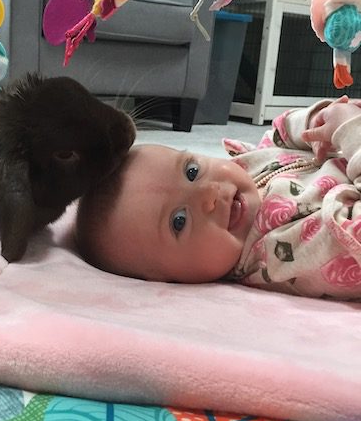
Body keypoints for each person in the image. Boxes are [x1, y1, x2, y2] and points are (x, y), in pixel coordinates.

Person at [75, 96, 361, 299]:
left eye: (191, 171)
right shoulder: (286, 254)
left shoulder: (245, 166)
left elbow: (279, 134)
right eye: (178, 221)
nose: (209, 195)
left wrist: (316, 122)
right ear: (171, 280)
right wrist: (350, 133)